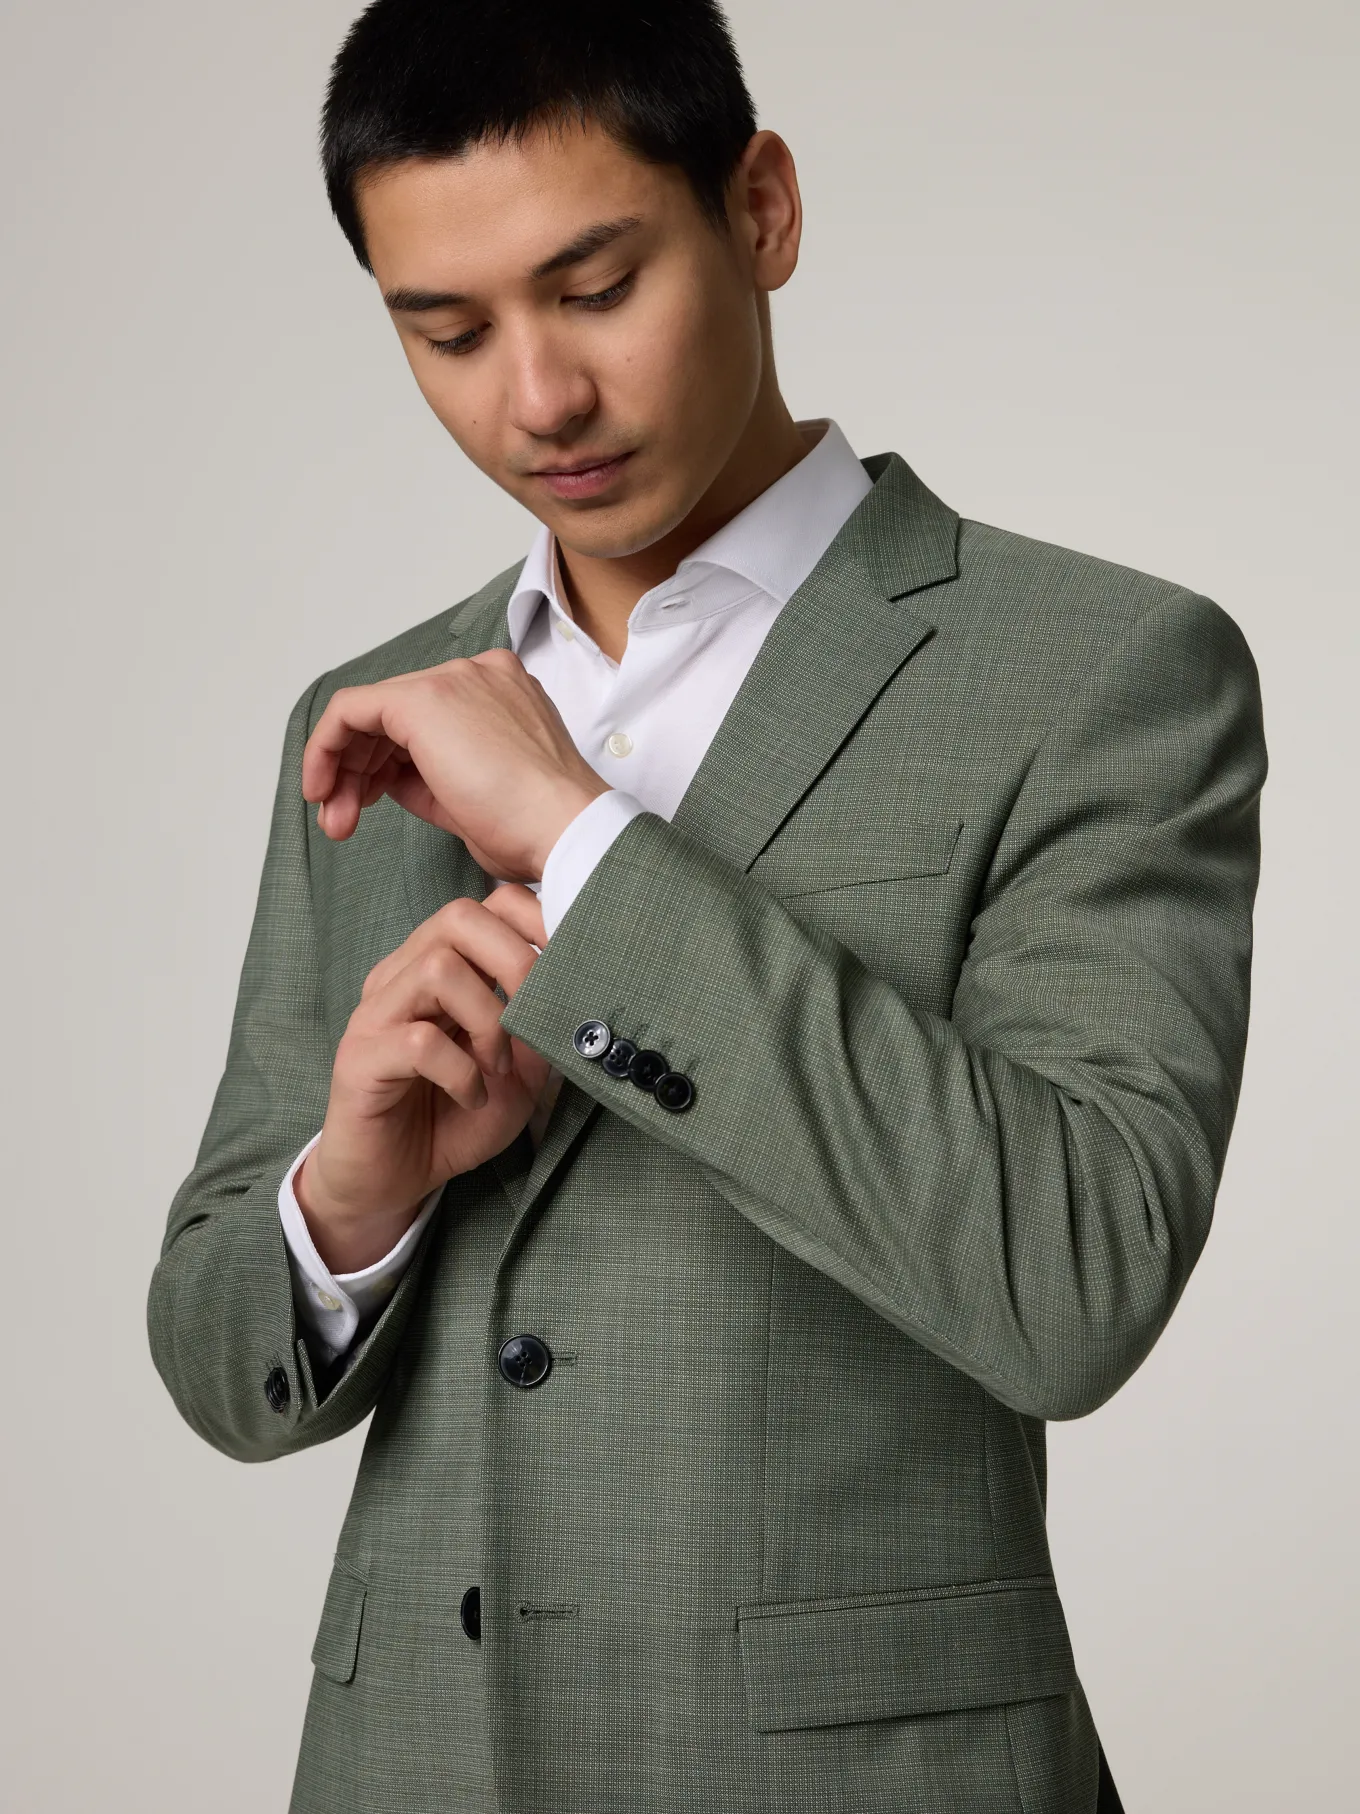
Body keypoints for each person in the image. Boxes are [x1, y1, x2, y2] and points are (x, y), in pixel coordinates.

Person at [146, 3, 1266, 1810]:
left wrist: (586, 847)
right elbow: (219, 1360)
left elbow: (1077, 1276)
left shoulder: (1102, 673)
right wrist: (350, 1201)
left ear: (761, 210)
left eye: (596, 289)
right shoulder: (367, 721)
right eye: (448, 331)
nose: (538, 399)